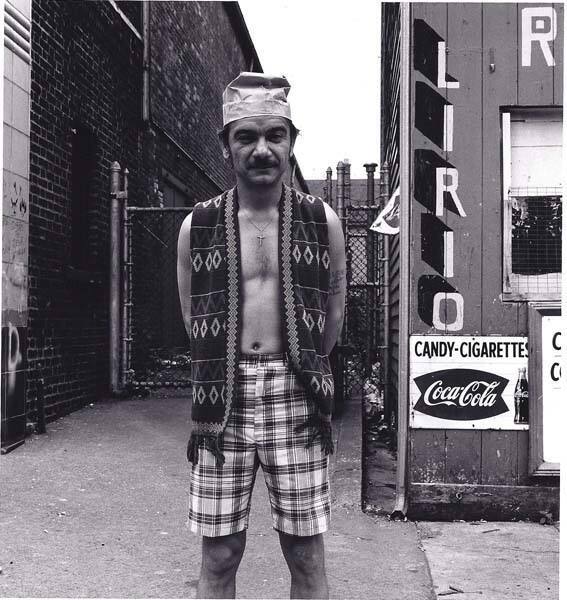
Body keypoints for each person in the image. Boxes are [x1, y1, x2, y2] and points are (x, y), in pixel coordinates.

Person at [177, 72, 346, 599]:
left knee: (305, 555)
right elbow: (191, 315)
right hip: (221, 398)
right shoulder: (197, 225)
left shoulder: (323, 221)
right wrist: (226, 368)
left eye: (275, 135)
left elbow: (335, 309)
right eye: (246, 136)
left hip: (298, 396)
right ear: (226, 145)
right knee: (220, 554)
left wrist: (304, 365)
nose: (262, 149)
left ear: (292, 141)